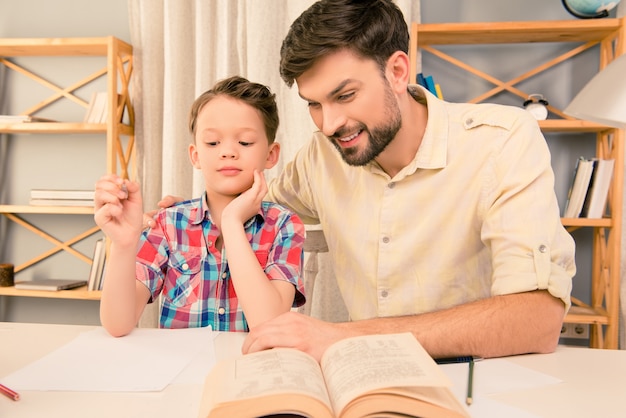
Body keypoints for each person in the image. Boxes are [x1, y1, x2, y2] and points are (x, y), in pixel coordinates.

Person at [151, 0, 575, 362]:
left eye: (345, 95)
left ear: (397, 70)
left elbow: (536, 320)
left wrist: (341, 336)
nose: (330, 123)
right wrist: (192, 211)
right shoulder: (321, 157)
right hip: (362, 378)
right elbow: (253, 199)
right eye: (314, 104)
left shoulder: (502, 143)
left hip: (475, 379)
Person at [94, 76, 306, 337]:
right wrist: (124, 245)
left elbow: (269, 325)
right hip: (181, 373)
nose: (227, 151)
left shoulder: (284, 226)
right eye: (213, 143)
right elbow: (118, 324)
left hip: (251, 370)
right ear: (195, 155)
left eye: (245, 142)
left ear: (271, 155)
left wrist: (231, 222)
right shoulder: (169, 224)